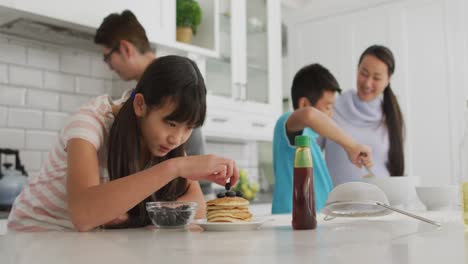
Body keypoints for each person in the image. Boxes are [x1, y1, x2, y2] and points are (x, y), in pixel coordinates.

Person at [8, 56, 238, 232]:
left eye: (189, 127)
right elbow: (84, 214)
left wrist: (133, 218)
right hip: (34, 236)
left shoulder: (162, 139)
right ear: (140, 105)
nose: (177, 138)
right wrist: (175, 167)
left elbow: (196, 203)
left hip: (88, 244)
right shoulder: (89, 123)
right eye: (171, 123)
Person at [94, 10, 212, 195]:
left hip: (191, 194)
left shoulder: (176, 86)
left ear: (125, 49)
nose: (109, 66)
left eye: (107, 57)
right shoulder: (134, 100)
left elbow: (192, 157)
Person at [272, 63, 373, 214]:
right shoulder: (286, 124)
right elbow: (309, 115)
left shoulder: (311, 141)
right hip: (291, 224)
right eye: (327, 107)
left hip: (315, 224)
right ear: (304, 104)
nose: (331, 114)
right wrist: (351, 146)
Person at [323, 45, 405, 185]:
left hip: (381, 203)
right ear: (357, 69)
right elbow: (308, 146)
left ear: (388, 80)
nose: (367, 83)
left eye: (377, 78)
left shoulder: (392, 116)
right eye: (364, 73)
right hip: (337, 204)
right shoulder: (332, 108)